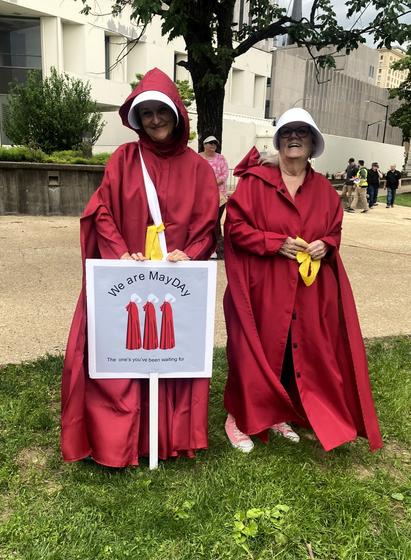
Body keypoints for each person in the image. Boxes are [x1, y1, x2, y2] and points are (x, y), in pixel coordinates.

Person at [61, 68, 219, 467]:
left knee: (172, 350)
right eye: (146, 113)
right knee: (120, 351)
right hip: (128, 277)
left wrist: (190, 253)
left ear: (177, 114)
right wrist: (118, 253)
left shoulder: (199, 170)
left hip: (175, 279)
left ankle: (168, 438)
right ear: (137, 118)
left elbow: (206, 227)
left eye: (160, 111)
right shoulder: (123, 159)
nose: (154, 120)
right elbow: (100, 211)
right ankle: (121, 441)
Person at [223, 107, 383, 454]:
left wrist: (327, 244)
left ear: (312, 143)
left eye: (302, 133)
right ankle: (238, 416)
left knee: (293, 350)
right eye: (287, 132)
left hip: (307, 290)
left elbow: (334, 229)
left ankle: (277, 411)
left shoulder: (324, 190)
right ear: (279, 141)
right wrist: (274, 242)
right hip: (261, 285)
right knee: (254, 349)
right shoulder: (254, 183)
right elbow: (235, 228)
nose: (294, 138)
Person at [199, 135, 229, 258]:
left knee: (215, 222)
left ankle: (220, 250)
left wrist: (210, 183)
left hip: (219, 197)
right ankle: (205, 248)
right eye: (210, 143)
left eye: (215, 143)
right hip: (202, 197)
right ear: (204, 145)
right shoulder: (198, 158)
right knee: (203, 222)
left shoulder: (221, 159)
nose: (213, 146)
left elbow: (224, 175)